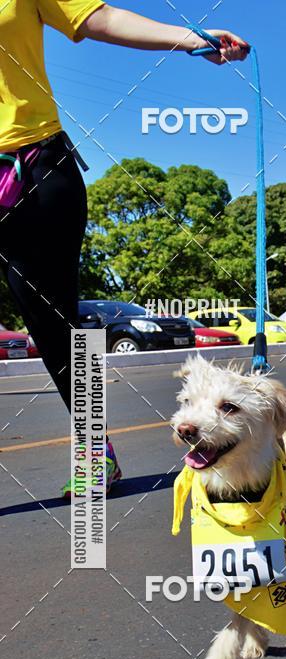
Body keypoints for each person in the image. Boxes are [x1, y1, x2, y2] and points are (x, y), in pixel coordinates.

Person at [0, 2, 249, 495]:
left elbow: (100, 18)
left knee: (56, 327)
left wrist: (190, 37)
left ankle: (96, 454)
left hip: (34, 167)